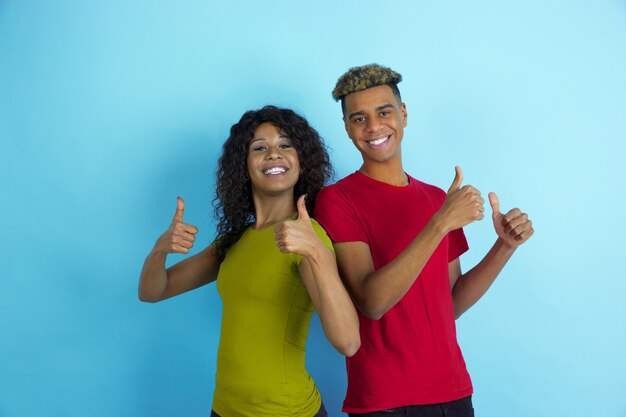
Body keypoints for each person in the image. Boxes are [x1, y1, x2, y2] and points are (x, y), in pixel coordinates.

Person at [314, 64, 534, 417]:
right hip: (384, 400)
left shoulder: (436, 199)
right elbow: (372, 301)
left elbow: (451, 302)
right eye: (359, 118)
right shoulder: (337, 200)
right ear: (346, 127)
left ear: (403, 114)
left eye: (384, 112)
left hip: (454, 391)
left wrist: (504, 246)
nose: (373, 127)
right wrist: (440, 223)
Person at [138, 105, 360, 417]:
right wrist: (159, 250)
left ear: (302, 161)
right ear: (244, 165)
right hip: (225, 409)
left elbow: (348, 342)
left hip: (286, 411)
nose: (274, 154)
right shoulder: (235, 241)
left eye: (285, 145)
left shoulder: (305, 237)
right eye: (260, 147)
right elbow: (153, 292)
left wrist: (317, 253)